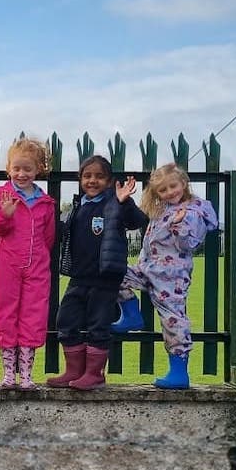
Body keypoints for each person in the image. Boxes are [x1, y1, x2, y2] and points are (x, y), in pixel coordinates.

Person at [111, 164, 217, 389]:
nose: (170, 192)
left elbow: (190, 244)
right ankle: (131, 315)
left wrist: (179, 225)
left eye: (173, 186)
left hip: (171, 277)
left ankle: (179, 372)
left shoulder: (192, 211)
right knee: (112, 273)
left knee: (173, 319)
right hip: (147, 269)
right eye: (163, 190)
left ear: (184, 184)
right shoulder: (162, 209)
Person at [47, 155, 147, 390]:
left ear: (110, 180)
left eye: (100, 176)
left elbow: (137, 221)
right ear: (80, 179)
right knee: (65, 319)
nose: (93, 181)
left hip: (105, 279)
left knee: (98, 325)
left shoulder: (114, 202)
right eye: (87, 176)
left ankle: (95, 374)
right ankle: (74, 371)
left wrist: (124, 202)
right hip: (79, 277)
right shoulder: (79, 205)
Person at [0, 138, 56, 389]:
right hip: (7, 265)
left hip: (37, 266)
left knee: (33, 316)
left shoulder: (46, 202)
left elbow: (49, 237)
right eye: (16, 168)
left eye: (27, 169)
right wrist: (4, 216)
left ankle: (26, 374)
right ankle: (8, 373)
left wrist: (38, 256)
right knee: (4, 313)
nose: (21, 174)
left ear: (38, 169)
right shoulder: (2, 195)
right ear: (8, 168)